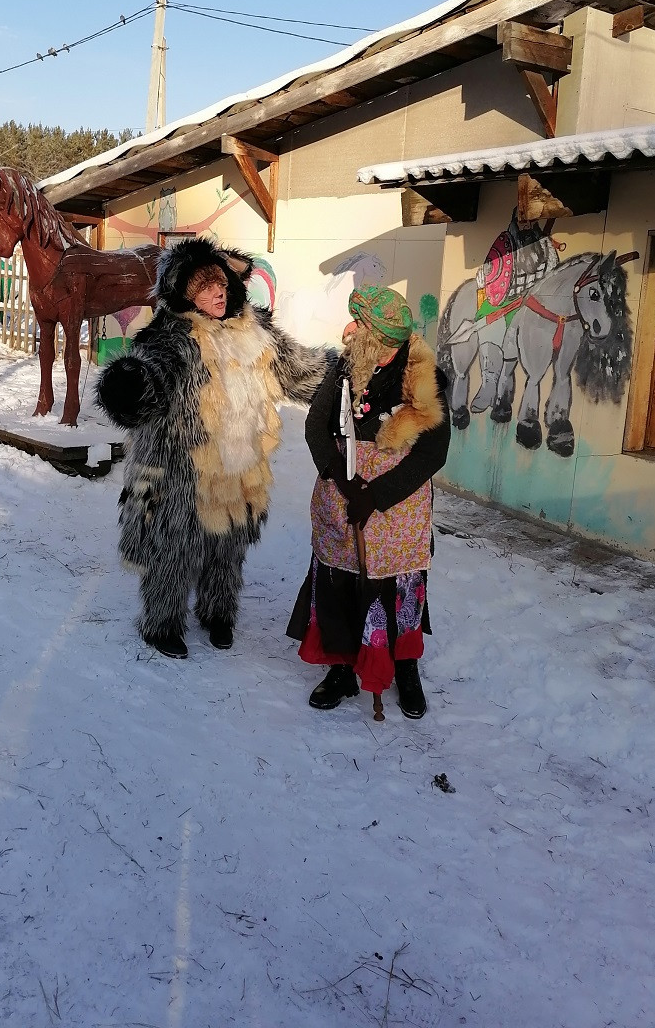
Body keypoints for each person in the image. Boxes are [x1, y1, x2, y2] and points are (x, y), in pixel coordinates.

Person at [96, 236, 333, 659]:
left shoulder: (255, 331)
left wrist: (359, 373)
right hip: (180, 470)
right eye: (205, 288)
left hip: (240, 466)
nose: (218, 292)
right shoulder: (169, 338)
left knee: (228, 549)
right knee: (174, 546)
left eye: (221, 283)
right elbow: (151, 380)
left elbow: (302, 371)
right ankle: (161, 622)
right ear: (184, 295)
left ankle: (218, 614)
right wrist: (128, 384)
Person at [285, 284, 450, 718]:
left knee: (398, 585)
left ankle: (405, 667)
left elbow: (434, 453)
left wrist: (376, 495)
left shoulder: (424, 379)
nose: (347, 329)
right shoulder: (346, 367)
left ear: (380, 339)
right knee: (339, 579)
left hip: (398, 500)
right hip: (343, 494)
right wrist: (342, 480)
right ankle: (341, 668)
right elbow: (316, 427)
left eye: (358, 324)